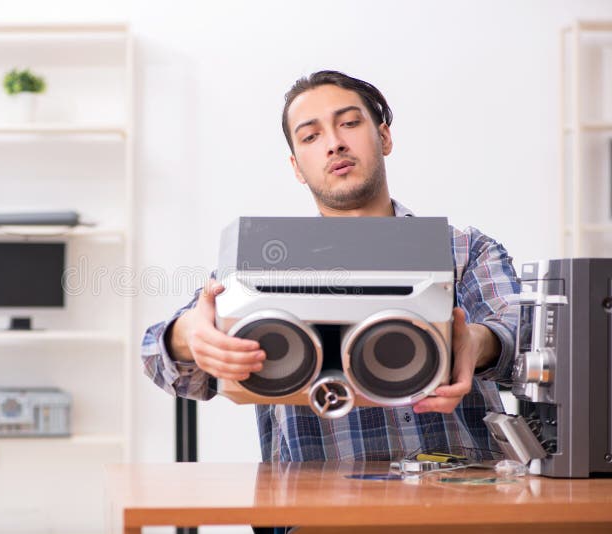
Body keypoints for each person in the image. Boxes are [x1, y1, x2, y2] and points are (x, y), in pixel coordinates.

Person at [141, 70, 519, 465]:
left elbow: (531, 340)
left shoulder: (463, 249)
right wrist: (191, 336)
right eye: (311, 136)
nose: (334, 144)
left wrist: (476, 342)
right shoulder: (260, 265)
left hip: (464, 505)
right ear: (297, 167)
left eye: (350, 124)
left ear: (385, 137)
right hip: (319, 512)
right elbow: (156, 357)